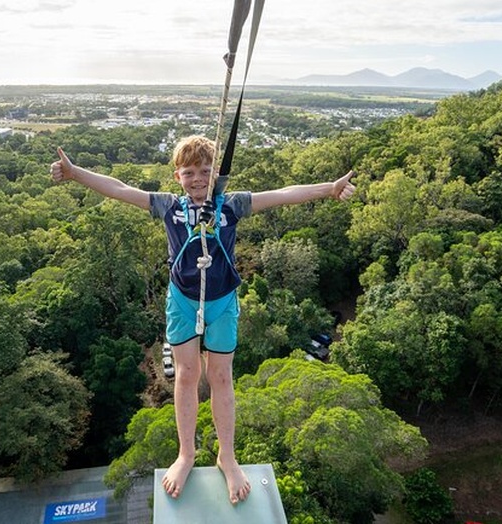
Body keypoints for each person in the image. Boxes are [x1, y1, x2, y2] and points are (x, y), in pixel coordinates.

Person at [50, 136, 355, 504]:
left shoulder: (231, 205)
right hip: (182, 300)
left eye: (206, 171)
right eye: (190, 172)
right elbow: (120, 189)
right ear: (177, 175)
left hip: (222, 301)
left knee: (221, 376)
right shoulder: (168, 207)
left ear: (216, 175)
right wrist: (74, 173)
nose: (198, 179)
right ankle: (186, 454)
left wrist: (329, 189)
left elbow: (283, 193)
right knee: (187, 375)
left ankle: (227, 456)